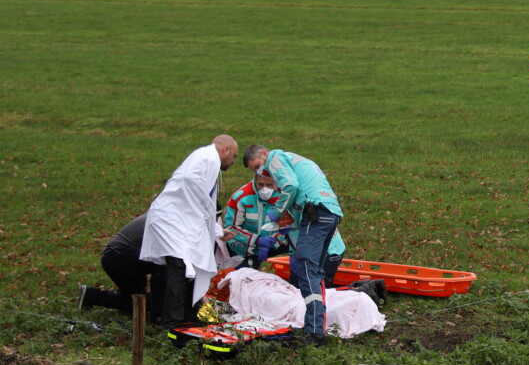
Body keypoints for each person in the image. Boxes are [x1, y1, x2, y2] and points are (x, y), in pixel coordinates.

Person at [242, 144, 342, 346]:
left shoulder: (276, 158)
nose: (260, 171)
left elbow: (291, 186)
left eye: (258, 166)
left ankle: (313, 332)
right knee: (315, 271)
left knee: (307, 268)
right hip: (329, 211)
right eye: (255, 171)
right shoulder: (296, 162)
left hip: (316, 212)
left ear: (264, 154)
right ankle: (316, 328)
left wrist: (277, 212)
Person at [139, 135, 239, 329]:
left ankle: (186, 317)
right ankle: (173, 324)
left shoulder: (206, 158)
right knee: (180, 268)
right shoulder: (209, 158)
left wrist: (217, 230)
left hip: (177, 222)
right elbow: (190, 181)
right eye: (233, 155)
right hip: (171, 222)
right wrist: (207, 206)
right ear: (225, 150)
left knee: (185, 270)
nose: (233, 161)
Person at [222, 171, 347, 284]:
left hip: (320, 249)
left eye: (269, 185)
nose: (265, 189)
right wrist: (256, 240)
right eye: (260, 184)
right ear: (254, 180)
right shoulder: (241, 197)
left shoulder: (287, 197)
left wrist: (277, 241)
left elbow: (290, 228)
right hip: (246, 245)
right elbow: (231, 228)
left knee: (308, 284)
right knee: (240, 280)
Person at [77, 213, 155, 317]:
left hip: (121, 256)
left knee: (142, 300)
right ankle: (94, 296)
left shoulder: (160, 214)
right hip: (119, 257)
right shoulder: (165, 221)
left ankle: (91, 295)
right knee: (141, 304)